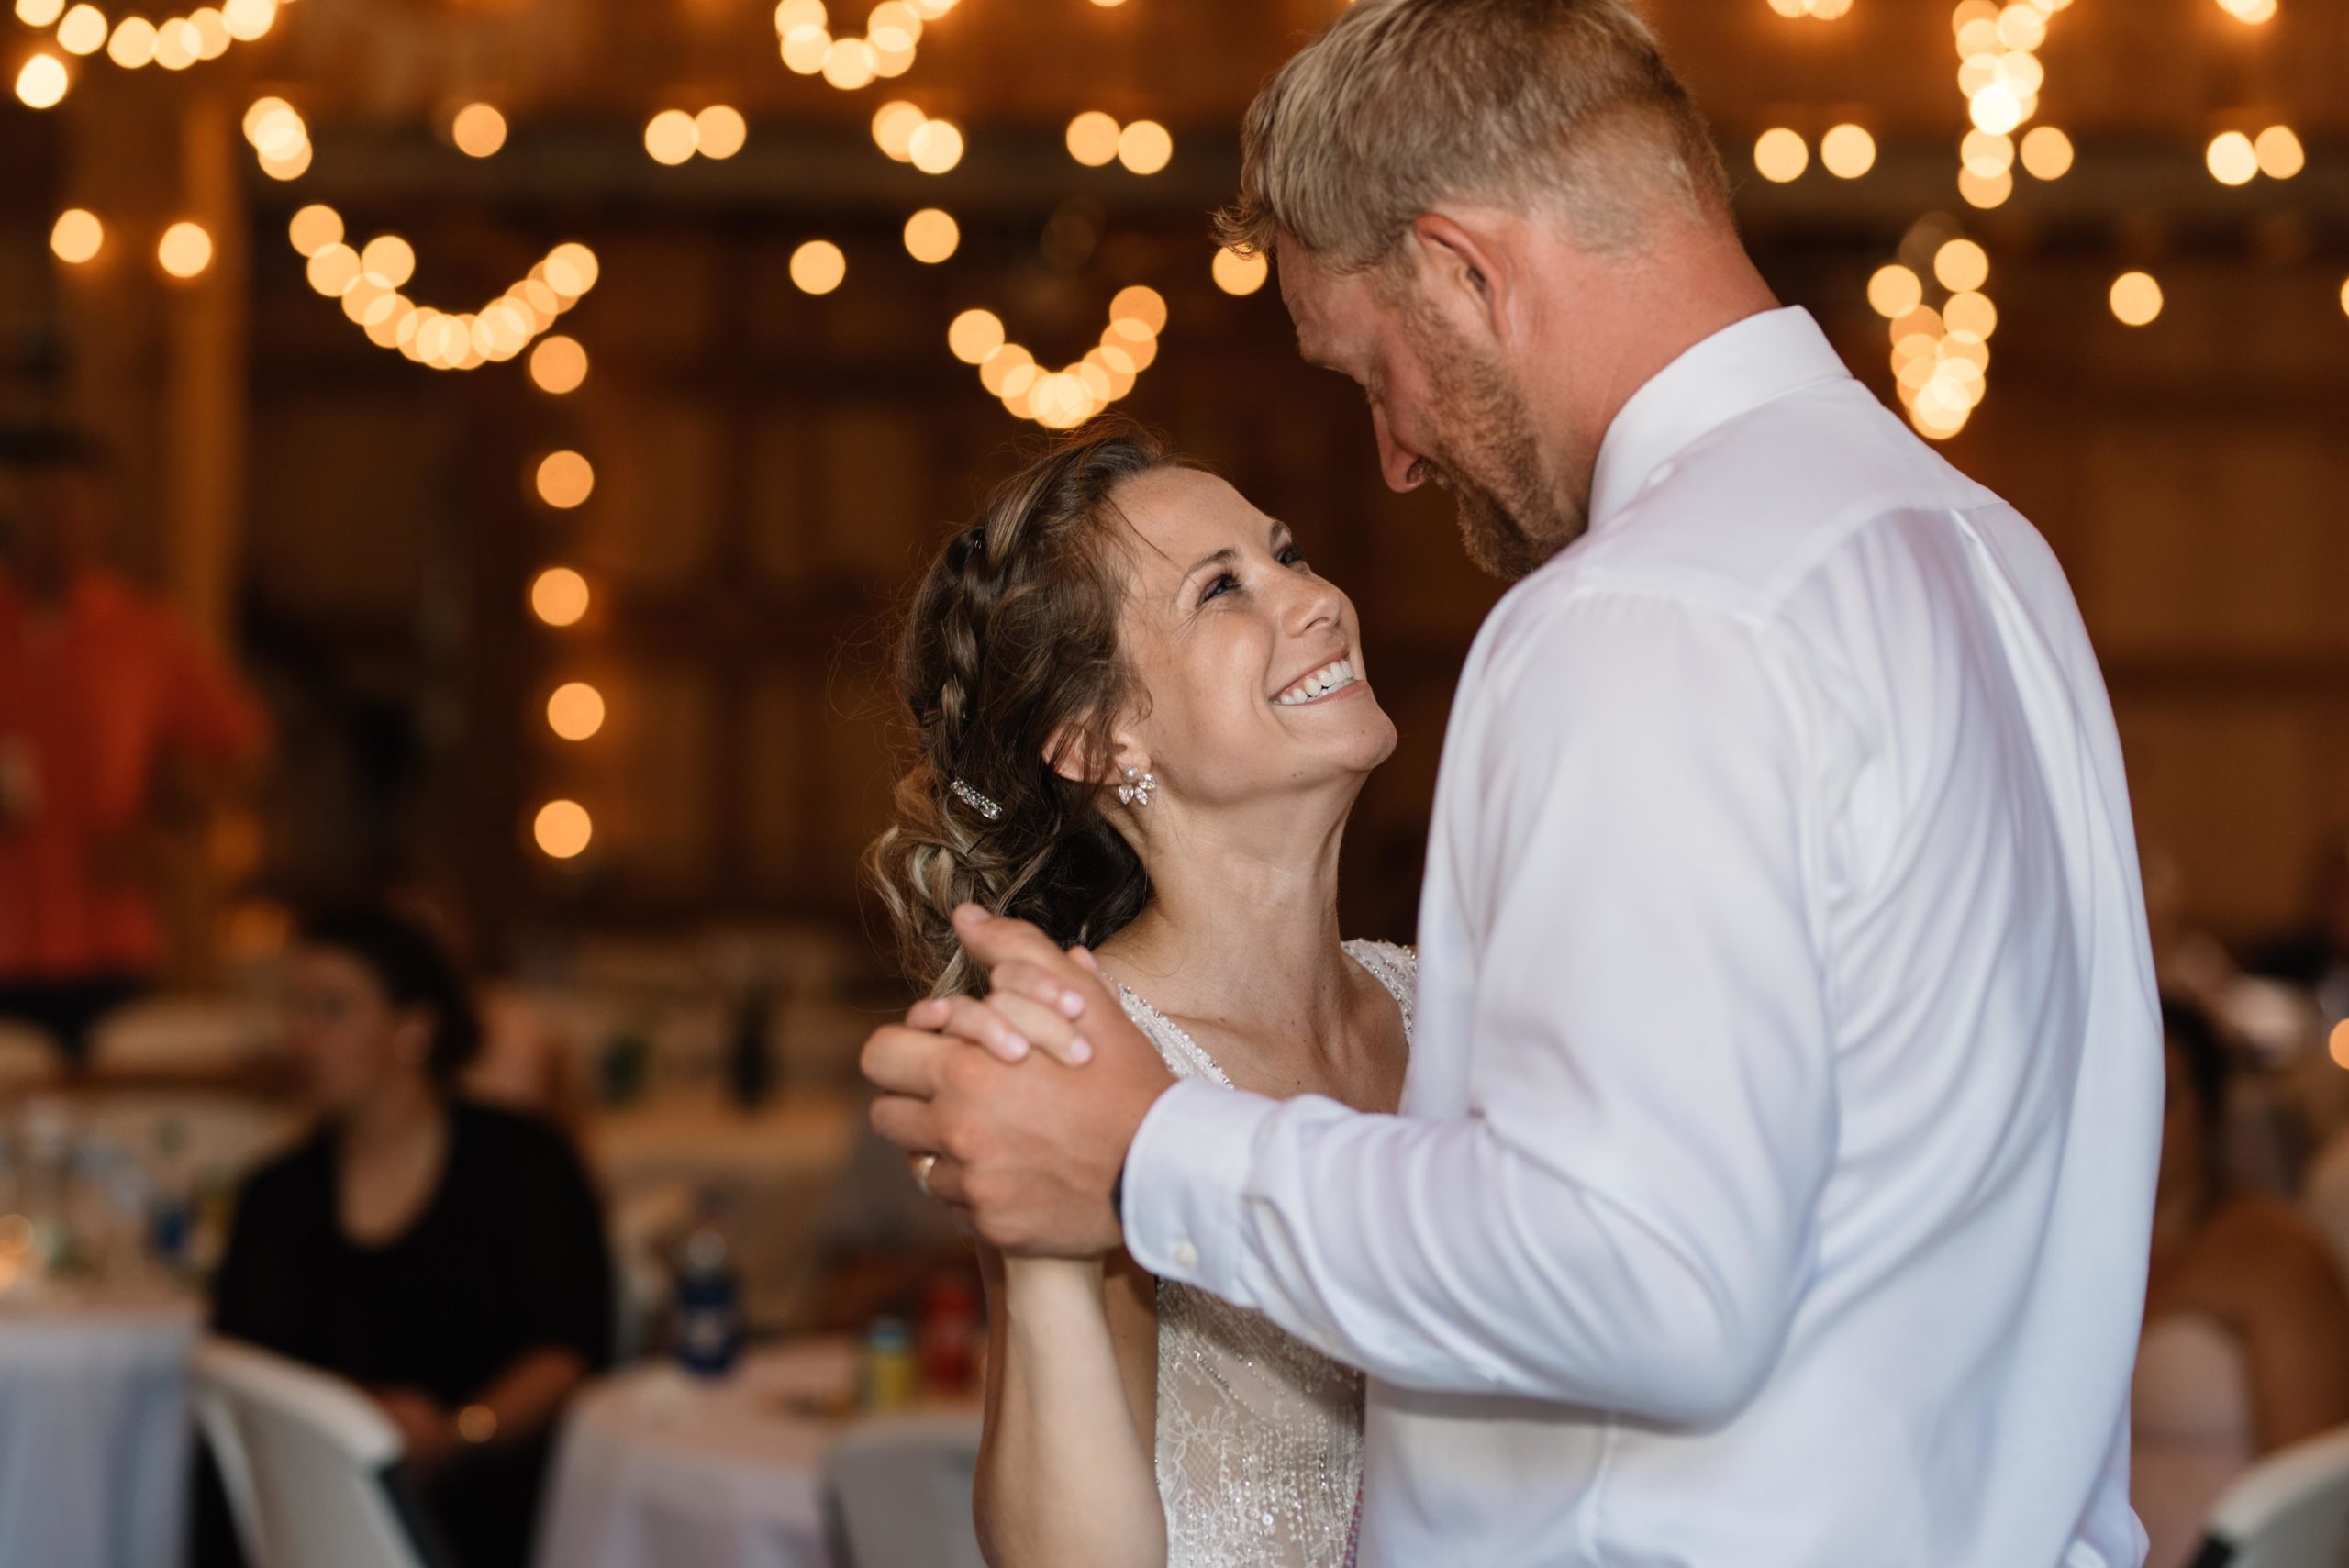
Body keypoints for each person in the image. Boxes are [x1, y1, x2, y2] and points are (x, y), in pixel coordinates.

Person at [862, 2, 2164, 1564]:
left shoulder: (1646, 610)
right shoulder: (1986, 554)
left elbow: (1647, 1269)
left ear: (1468, 271)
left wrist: (1156, 1153)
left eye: (1375, 368)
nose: (1397, 458)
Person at [867, 428, 1411, 1566]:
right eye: (1224, 589)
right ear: (1094, 736)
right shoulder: (1088, 1062)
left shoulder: (1444, 1006)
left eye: (1288, 554)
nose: (1316, 599)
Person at [206, 904, 613, 1568]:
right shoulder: (276, 1192)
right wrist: (357, 1421)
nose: (302, 1037)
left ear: (414, 1027)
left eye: (331, 1010)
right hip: (319, 1498)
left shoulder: (523, 1159)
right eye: (295, 1010)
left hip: (494, 1495)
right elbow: (247, 1363)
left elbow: (567, 1345)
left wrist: (460, 1432)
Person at [0, 428, 266, 1062]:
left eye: (71, 507)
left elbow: (241, 748)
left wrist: (166, 826)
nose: (54, 527)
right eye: (37, 507)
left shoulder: (145, 632)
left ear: (104, 517)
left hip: (108, 935)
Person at [2134, 999, 2349, 1568]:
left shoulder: (2278, 1257)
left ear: (2210, 1112)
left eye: (2162, 1098)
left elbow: (2311, 1491)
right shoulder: (2072, 1249)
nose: (2134, 1116)